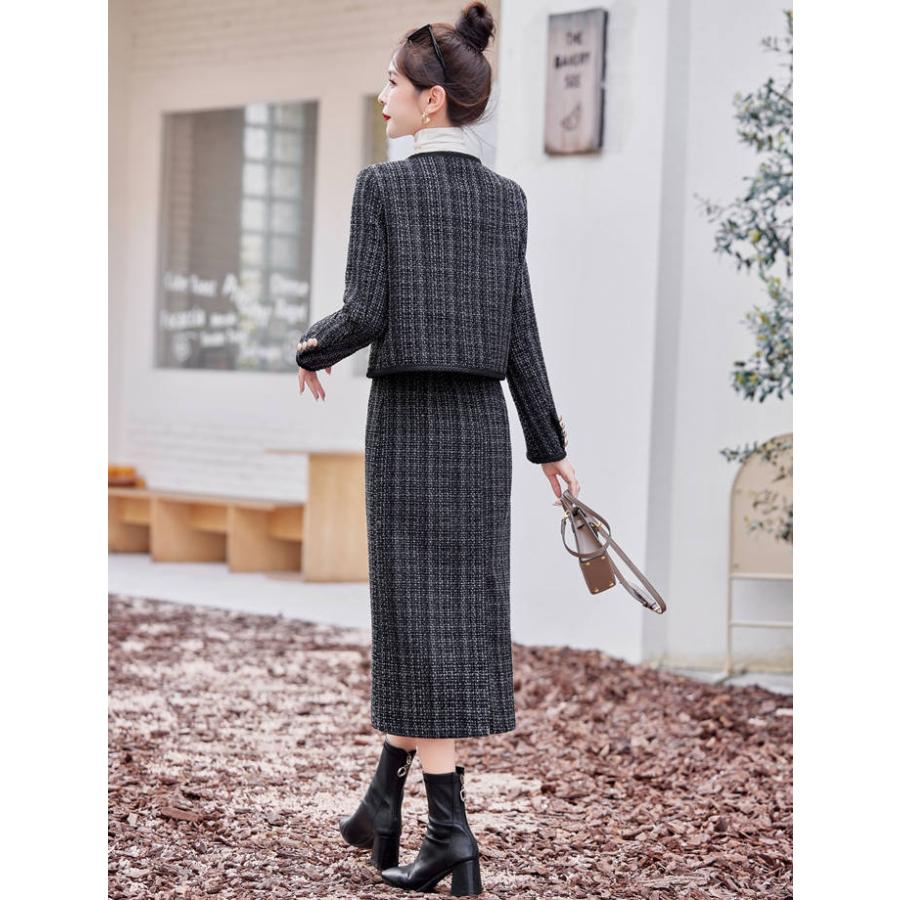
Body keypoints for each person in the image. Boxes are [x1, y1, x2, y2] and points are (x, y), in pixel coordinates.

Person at [295, 3, 579, 895]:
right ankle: (383, 803)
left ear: (430, 100)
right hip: (479, 432)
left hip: (410, 426)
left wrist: (310, 346)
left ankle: (450, 831)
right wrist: (548, 445)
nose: (381, 95)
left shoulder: (381, 189)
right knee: (451, 616)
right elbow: (521, 333)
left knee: (415, 619)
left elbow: (366, 309)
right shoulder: (507, 201)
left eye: (391, 82)